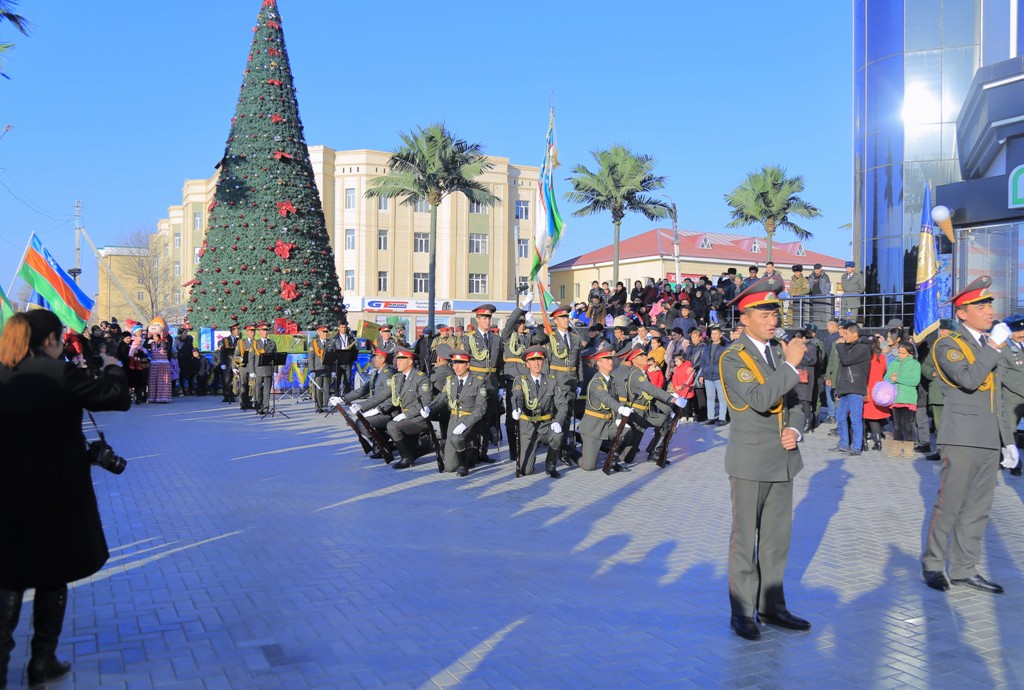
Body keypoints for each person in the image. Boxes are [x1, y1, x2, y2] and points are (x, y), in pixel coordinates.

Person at [0, 310, 131, 687]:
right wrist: (111, 366)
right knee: (51, 575)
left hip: (7, 490)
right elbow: (116, 398)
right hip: (57, 490)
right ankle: (41, 663)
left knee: (8, 575)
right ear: (51, 341)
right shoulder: (58, 373)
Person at [718, 277, 809, 641]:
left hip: (783, 458)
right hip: (751, 461)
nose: (772, 319)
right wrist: (789, 367)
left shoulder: (778, 355)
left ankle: (772, 606)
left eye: (774, 311)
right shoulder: (732, 358)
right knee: (745, 540)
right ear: (745, 318)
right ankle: (742, 611)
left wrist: (797, 430)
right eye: (764, 312)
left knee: (776, 539)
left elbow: (797, 404)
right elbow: (757, 399)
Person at [922, 276, 1015, 595]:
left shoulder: (987, 344)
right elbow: (970, 379)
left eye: (989, 304)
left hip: (988, 438)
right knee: (950, 504)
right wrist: (993, 346)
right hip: (961, 437)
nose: (989, 310)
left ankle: (964, 568)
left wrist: (1008, 441)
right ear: (962, 313)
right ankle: (933, 564)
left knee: (978, 508)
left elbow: (997, 396)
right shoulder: (949, 345)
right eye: (980, 305)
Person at [510, 346, 570, 478]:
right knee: (526, 470)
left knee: (557, 434)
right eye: (533, 360)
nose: (537, 363)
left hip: (545, 424)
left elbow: (562, 404)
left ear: (543, 362)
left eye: (539, 360)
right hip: (528, 426)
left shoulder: (551, 381)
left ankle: (551, 464)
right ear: (527, 364)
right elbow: (518, 396)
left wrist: (558, 422)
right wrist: (517, 408)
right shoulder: (520, 381)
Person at [430, 349, 489, 476]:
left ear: (467, 365)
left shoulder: (478, 381)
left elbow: (481, 408)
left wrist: (465, 424)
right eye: (454, 362)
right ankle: (468, 452)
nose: (456, 366)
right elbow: (441, 399)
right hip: (454, 419)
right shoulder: (451, 380)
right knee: (450, 467)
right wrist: (429, 409)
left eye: (460, 362)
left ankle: (464, 464)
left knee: (457, 439)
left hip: (471, 421)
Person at [382, 347, 435, 469]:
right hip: (405, 417)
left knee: (392, 426)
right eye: (396, 359)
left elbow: (425, 402)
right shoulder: (399, 377)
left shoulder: (421, 378)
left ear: (410, 362)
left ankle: (406, 458)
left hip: (419, 418)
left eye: (401, 360)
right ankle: (416, 450)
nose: (397, 362)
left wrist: (405, 415)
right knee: (386, 422)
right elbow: (391, 397)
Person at [833, 322, 871, 455]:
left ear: (855, 334)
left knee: (855, 418)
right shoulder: (848, 347)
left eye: (847, 334)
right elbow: (841, 368)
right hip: (844, 387)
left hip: (855, 387)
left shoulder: (862, 348)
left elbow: (846, 360)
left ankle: (856, 447)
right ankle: (844, 443)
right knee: (840, 416)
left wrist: (839, 345)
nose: (844, 336)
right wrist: (838, 388)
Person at [884, 341, 922, 458]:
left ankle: (908, 448)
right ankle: (896, 447)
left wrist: (898, 378)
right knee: (896, 425)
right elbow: (886, 378)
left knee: (907, 424)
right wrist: (891, 379)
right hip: (895, 398)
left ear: (910, 353)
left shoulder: (915, 364)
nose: (900, 355)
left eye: (903, 353)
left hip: (908, 398)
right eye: (899, 353)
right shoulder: (894, 363)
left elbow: (914, 381)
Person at [998, 314, 1024, 476]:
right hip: (1012, 398)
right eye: (1017, 330)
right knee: (1010, 432)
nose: (1021, 333)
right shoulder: (1003, 350)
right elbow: (1004, 376)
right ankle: (1014, 463)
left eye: (1023, 329)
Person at [862, 337, 890, 452]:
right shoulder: (882, 357)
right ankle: (878, 442)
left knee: (862, 416)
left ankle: (863, 442)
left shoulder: (866, 358)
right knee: (874, 418)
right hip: (878, 390)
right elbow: (884, 371)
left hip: (866, 389)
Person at [700, 325, 730, 426]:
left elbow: (727, 361)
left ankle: (722, 418)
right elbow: (703, 361)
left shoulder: (725, 347)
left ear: (720, 335)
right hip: (708, 375)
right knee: (710, 397)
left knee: (722, 397)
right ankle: (710, 417)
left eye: (716, 334)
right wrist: (702, 374)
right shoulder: (707, 346)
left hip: (720, 376)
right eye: (712, 333)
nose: (713, 336)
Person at [145, 317, 174, 404]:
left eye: (155, 336)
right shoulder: (152, 343)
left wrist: (162, 336)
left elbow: (166, 347)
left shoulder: (165, 341)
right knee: (153, 381)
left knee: (162, 381)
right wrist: (149, 336)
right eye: (153, 336)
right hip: (154, 364)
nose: (154, 338)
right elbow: (145, 345)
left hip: (163, 364)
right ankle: (153, 397)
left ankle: (163, 397)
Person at [308, 325, 334, 413]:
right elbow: (311, 358)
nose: (325, 334)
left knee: (326, 388)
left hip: (327, 369)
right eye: (323, 332)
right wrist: (312, 370)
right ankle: (318, 405)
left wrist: (333, 370)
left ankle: (325, 405)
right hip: (317, 369)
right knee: (318, 388)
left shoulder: (331, 343)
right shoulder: (314, 343)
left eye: (326, 332)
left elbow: (333, 358)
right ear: (318, 332)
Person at [252, 322, 277, 415]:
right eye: (263, 330)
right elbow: (252, 357)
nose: (265, 332)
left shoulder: (272, 343)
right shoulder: (255, 343)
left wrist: (275, 370)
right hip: (258, 369)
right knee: (258, 389)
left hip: (268, 369)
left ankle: (266, 408)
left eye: (267, 330)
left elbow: (275, 358)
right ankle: (258, 407)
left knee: (267, 390)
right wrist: (252, 371)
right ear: (260, 332)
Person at [331, 322, 358, 395]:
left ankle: (347, 396)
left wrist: (352, 359)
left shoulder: (351, 338)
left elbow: (354, 350)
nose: (343, 329)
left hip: (348, 361)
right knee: (337, 380)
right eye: (342, 327)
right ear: (339, 328)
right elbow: (332, 350)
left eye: (345, 327)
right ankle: (336, 395)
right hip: (338, 362)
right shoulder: (334, 339)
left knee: (348, 380)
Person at [217, 323, 240, 403]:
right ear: (232, 331)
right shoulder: (225, 340)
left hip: (236, 362)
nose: (238, 331)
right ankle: (226, 395)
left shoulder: (239, 340)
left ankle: (233, 396)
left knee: (235, 380)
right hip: (227, 362)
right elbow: (222, 352)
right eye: (237, 329)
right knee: (226, 380)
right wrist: (222, 363)